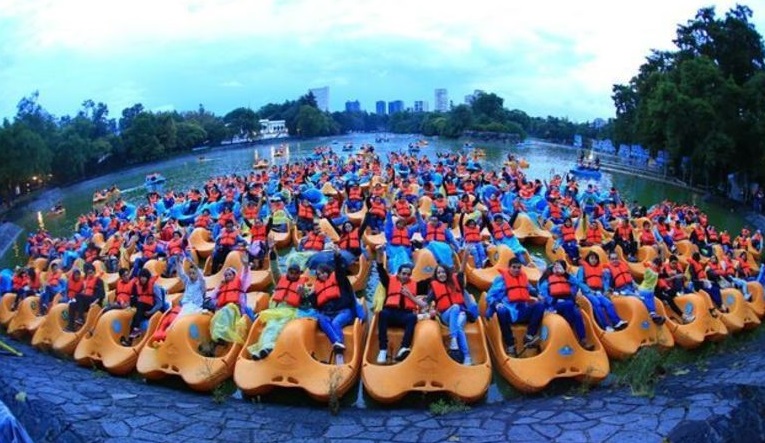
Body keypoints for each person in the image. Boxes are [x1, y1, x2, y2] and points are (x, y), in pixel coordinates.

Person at [374, 243, 429, 364]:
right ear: (398, 273)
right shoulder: (389, 281)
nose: (406, 276)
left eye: (408, 274)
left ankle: (404, 347)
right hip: (391, 313)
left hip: (405, 315)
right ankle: (383, 349)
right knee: (383, 314)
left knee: (412, 317)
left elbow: (430, 281)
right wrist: (379, 253)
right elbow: (380, 268)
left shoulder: (416, 285)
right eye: (403, 274)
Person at [485, 257, 545, 356]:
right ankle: (510, 344)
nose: (516, 270)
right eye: (514, 267)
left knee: (539, 305)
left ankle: (530, 335)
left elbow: (530, 289)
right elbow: (490, 296)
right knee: (501, 311)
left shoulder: (523, 278)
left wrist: (538, 294)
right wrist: (496, 304)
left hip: (521, 310)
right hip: (508, 311)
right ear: (509, 268)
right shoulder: (501, 279)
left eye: (518, 267)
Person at [426, 249, 478, 364]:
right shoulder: (434, 288)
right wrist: (430, 309)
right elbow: (426, 302)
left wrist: (464, 257)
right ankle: (460, 348)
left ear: (447, 273)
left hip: (461, 313)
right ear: (436, 275)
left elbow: (462, 270)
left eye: (443, 272)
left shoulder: (455, 281)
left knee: (459, 326)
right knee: (455, 308)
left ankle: (465, 355)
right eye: (439, 273)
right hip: (446, 315)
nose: (441, 274)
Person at [307, 245, 358, 359]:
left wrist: (337, 256)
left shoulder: (338, 279)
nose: (321, 275)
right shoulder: (317, 286)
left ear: (328, 271)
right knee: (321, 318)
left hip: (344, 311)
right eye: (319, 274)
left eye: (323, 272)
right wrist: (310, 296)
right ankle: (338, 343)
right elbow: (316, 305)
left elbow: (339, 269)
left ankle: (338, 345)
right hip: (328, 314)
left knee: (335, 323)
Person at [538, 260, 596, 350]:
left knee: (577, 313)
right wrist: (554, 301)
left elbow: (577, 283)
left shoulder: (567, 278)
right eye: (555, 266)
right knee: (570, 304)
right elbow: (544, 294)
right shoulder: (546, 280)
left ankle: (583, 340)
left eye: (559, 267)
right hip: (553, 306)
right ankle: (569, 326)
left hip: (567, 306)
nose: (557, 268)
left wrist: (565, 275)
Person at [152, 256, 206, 342]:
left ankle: (169, 333)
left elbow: (202, 278)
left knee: (180, 319)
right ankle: (165, 334)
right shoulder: (188, 282)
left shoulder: (201, 284)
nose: (191, 275)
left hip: (194, 306)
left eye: (193, 273)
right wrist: (177, 262)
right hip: (185, 305)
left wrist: (195, 267)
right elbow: (181, 274)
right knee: (174, 316)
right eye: (190, 273)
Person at [604, 252, 665, 323]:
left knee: (647, 294)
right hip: (622, 290)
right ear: (609, 260)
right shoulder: (607, 271)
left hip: (631, 287)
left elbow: (630, 278)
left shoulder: (623, 265)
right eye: (612, 259)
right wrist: (608, 293)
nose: (614, 260)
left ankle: (652, 313)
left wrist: (637, 286)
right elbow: (606, 285)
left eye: (616, 258)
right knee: (639, 297)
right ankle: (652, 315)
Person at [576, 251, 628, 332]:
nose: (594, 260)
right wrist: (588, 290)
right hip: (587, 292)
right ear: (588, 259)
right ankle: (606, 326)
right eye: (592, 258)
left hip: (598, 291)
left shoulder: (600, 269)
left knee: (608, 303)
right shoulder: (582, 269)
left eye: (595, 259)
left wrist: (606, 290)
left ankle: (617, 322)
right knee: (597, 304)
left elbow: (603, 281)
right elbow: (579, 282)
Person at [124, 268, 166, 344]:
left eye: (144, 277)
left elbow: (160, 303)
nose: (142, 279)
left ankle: (135, 331)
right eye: (141, 277)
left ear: (147, 277)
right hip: (143, 310)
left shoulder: (154, 286)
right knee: (135, 317)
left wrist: (150, 312)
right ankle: (130, 340)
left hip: (152, 309)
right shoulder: (139, 286)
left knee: (140, 305)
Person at [66, 264, 106, 332]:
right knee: (72, 304)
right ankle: (70, 326)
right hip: (86, 301)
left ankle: (81, 318)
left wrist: (94, 303)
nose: (89, 274)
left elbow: (102, 295)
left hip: (94, 301)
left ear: (94, 272)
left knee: (79, 296)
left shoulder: (99, 281)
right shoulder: (86, 281)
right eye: (88, 273)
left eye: (91, 272)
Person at [656, 255, 695, 324]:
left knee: (692, 293)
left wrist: (683, 277)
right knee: (669, 298)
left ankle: (688, 313)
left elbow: (684, 279)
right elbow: (663, 280)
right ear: (669, 263)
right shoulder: (662, 270)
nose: (675, 265)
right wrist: (674, 277)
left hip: (673, 289)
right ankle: (684, 317)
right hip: (664, 289)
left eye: (676, 263)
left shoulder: (678, 269)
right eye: (673, 263)